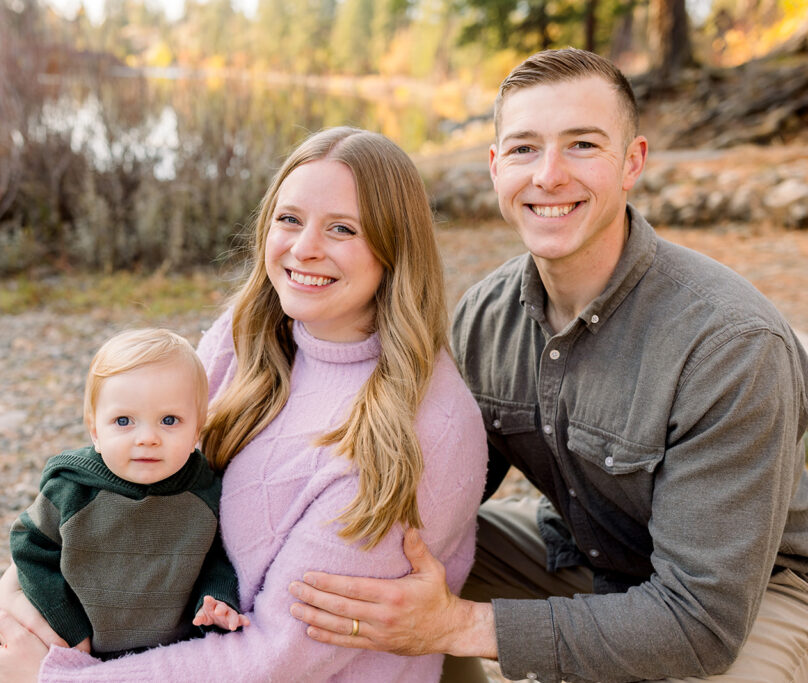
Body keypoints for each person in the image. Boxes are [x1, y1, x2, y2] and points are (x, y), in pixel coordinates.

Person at [288, 48, 808, 682]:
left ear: (632, 163)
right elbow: (425, 484)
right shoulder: (486, 316)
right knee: (369, 579)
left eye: (582, 145)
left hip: (755, 591)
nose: (549, 176)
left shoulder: (729, 345)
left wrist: (456, 624)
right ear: (495, 167)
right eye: (524, 149)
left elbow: (700, 621)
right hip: (579, 551)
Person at [0, 126, 489, 682]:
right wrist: (23, 592)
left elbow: (277, 659)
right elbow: (130, 478)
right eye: (289, 219)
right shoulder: (245, 337)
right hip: (147, 646)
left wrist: (58, 678)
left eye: (342, 228)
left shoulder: (416, 428)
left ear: (395, 247)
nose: (303, 247)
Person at [0, 328, 247, 682]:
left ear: (197, 427)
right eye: (124, 421)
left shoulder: (203, 493)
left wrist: (215, 599)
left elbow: (218, 559)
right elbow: (31, 550)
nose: (148, 438)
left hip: (159, 663)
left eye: (170, 421)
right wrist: (68, 628)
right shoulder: (73, 489)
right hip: (73, 646)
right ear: (95, 430)